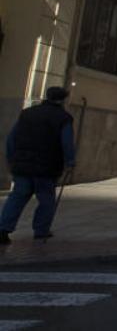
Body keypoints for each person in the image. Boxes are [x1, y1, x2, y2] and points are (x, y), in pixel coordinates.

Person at [0, 86, 76, 244]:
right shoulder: (63, 118)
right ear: (63, 100)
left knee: (17, 197)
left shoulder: (27, 113)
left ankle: (3, 229)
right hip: (46, 166)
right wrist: (70, 161)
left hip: (22, 164)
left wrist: (11, 158)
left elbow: (11, 138)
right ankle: (41, 231)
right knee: (46, 200)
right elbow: (67, 142)